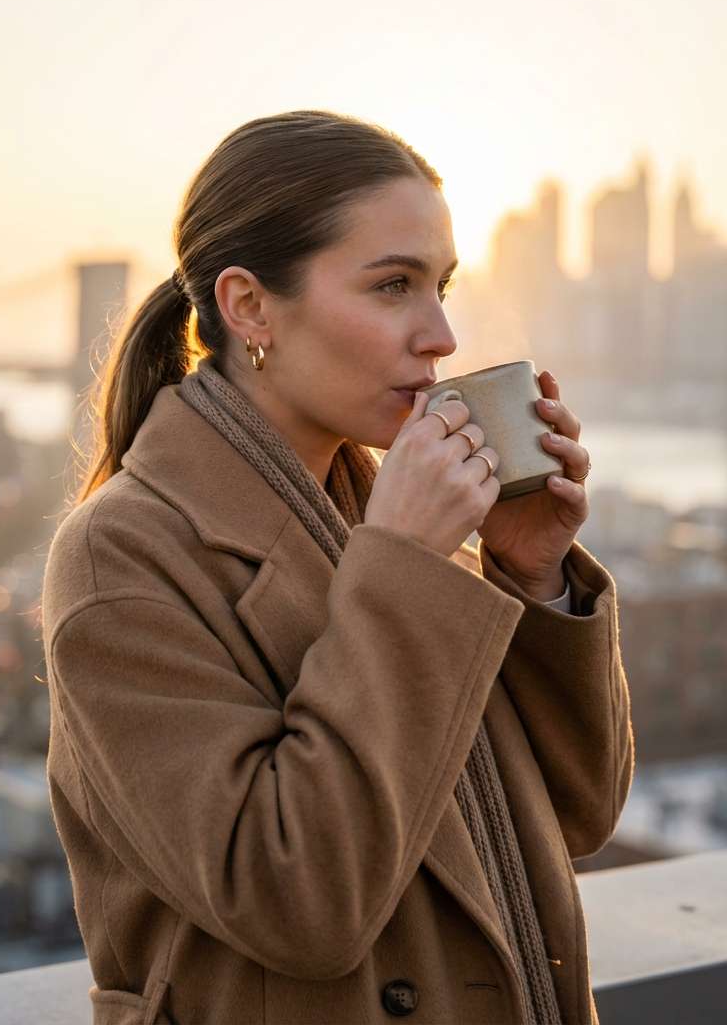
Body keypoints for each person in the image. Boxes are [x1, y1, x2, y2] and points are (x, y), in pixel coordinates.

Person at [41, 109, 634, 1025]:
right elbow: (300, 905)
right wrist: (406, 569)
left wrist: (532, 574)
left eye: (442, 285)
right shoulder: (118, 560)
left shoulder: (385, 519)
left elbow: (578, 818)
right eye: (393, 286)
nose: (440, 333)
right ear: (248, 308)